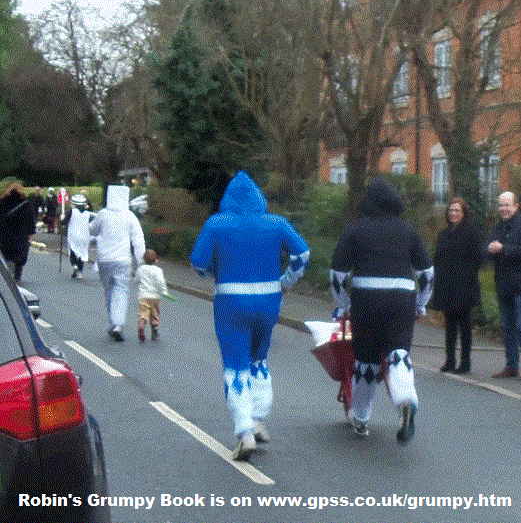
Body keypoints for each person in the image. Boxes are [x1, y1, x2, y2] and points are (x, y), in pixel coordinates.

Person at [191, 171, 310, 460]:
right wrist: (285, 282)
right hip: (269, 302)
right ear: (259, 198)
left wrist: (214, 273)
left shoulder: (217, 224)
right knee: (259, 358)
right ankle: (258, 417)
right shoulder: (276, 223)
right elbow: (302, 255)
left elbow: (198, 263)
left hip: (231, 302)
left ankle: (245, 431)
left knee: (235, 364)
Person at [330, 177, 432, 444]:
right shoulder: (407, 230)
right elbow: (427, 274)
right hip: (402, 298)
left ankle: (361, 418)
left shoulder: (355, 229)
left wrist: (344, 306)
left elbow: (337, 275)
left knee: (366, 360)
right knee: (399, 353)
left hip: (366, 298)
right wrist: (420, 303)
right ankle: (406, 401)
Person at [488, 191, 521, 380]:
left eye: (507, 205)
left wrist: (503, 249)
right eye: (501, 205)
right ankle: (511, 365)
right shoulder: (497, 227)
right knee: (507, 327)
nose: (504, 209)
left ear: (516, 206)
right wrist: (490, 250)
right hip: (503, 284)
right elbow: (489, 248)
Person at [431, 197, 483, 375]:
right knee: (450, 325)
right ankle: (450, 360)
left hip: (464, 286)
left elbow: (477, 259)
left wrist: (466, 274)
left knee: (465, 325)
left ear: (464, 213)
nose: (453, 214)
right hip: (446, 284)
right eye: (451, 211)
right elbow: (438, 257)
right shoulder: (443, 233)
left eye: (457, 211)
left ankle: (465, 361)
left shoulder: (471, 232)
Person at [90, 185, 146, 341]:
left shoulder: (103, 214)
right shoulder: (130, 216)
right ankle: (118, 324)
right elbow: (138, 240)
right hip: (123, 260)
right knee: (121, 290)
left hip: (104, 259)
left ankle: (113, 322)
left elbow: (93, 231)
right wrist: (142, 261)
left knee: (109, 290)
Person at [0, 180, 38, 282]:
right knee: (19, 257)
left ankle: (7, 273)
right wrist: (31, 233)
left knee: (6, 255)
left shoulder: (2, 202)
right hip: (21, 236)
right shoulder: (26, 204)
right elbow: (31, 221)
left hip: (4, 235)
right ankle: (17, 274)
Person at [135, 249, 169, 343]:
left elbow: (137, 279)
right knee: (155, 313)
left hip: (143, 296)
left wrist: (137, 282)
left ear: (144, 259)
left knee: (143, 312)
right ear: (156, 260)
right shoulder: (158, 270)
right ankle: (154, 331)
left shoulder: (140, 269)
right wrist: (164, 291)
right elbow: (161, 282)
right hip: (155, 296)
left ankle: (142, 325)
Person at [65, 193, 94, 279]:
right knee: (82, 253)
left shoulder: (71, 212)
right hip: (85, 236)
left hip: (73, 235)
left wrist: (62, 219)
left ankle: (74, 265)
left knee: (73, 251)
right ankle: (80, 272)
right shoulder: (88, 214)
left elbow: (64, 222)